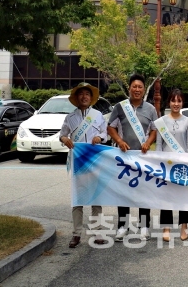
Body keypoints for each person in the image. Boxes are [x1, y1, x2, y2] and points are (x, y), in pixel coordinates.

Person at [108, 73, 158, 242]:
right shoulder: (120, 107)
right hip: (124, 157)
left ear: (144, 90)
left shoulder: (150, 109)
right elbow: (111, 127)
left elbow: (155, 130)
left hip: (143, 158)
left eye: (140, 87)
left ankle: (144, 226)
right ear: (129, 88)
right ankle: (123, 226)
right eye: (134, 86)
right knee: (123, 192)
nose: (137, 89)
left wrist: (148, 143)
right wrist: (119, 141)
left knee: (144, 191)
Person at [59, 82, 108, 248]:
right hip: (78, 162)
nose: (84, 96)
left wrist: (100, 137)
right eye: (81, 94)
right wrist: (64, 139)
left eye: (87, 94)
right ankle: (76, 233)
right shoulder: (70, 118)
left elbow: (105, 132)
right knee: (77, 199)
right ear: (76, 97)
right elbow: (62, 135)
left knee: (96, 198)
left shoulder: (98, 115)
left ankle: (98, 232)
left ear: (91, 97)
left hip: (94, 161)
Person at [155, 88, 188, 242]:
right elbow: (159, 145)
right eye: (173, 100)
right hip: (166, 165)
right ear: (169, 102)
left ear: (182, 102)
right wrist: (158, 162)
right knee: (166, 196)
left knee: (183, 196)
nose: (176, 104)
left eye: (179, 101)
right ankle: (166, 227)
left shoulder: (187, 121)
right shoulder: (162, 121)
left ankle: (184, 226)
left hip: (182, 165)